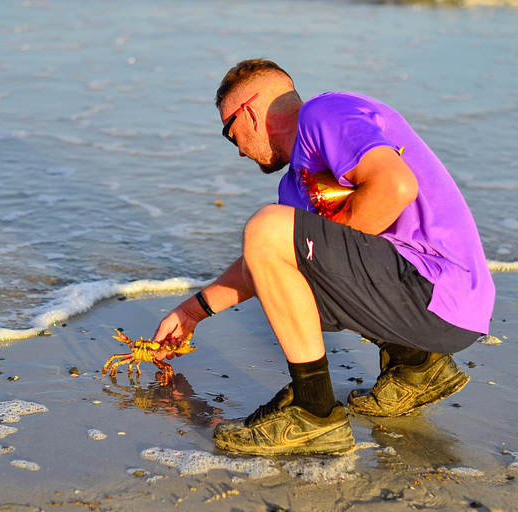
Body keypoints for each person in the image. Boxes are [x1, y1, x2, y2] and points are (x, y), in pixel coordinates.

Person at [152, 59, 495, 456]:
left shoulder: (323, 113)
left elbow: (395, 185)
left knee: (266, 227)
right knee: (276, 245)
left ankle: (313, 410)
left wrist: (327, 255)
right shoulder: (295, 184)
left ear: (247, 112)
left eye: (231, 135)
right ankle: (418, 366)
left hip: (440, 289)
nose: (239, 152)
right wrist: (193, 312)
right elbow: (267, 264)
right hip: (431, 310)